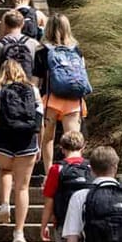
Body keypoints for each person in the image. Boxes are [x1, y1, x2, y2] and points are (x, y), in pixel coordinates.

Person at [0, 59, 42, 242]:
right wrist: (38, 144)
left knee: (5, 171)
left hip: (4, 140)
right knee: (23, 187)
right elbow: (40, 121)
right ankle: (19, 232)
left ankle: (5, 203)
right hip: (27, 141)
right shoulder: (34, 90)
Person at [34, 12, 91, 174]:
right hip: (73, 100)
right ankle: (74, 173)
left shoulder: (42, 51)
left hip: (51, 99)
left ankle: (49, 173)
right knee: (73, 141)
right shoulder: (76, 51)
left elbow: (35, 82)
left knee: (48, 140)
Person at [0, 9, 41, 87]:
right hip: (28, 91)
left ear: (5, 24)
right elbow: (39, 75)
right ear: (23, 24)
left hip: (6, 92)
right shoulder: (34, 44)